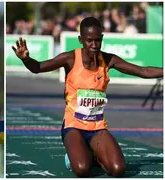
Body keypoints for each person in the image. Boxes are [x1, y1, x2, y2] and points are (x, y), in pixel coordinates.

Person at [12, 16, 163, 177]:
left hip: (97, 127)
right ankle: (79, 154)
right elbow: (38, 67)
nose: (94, 45)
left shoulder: (108, 60)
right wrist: (26, 59)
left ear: (102, 38)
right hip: (73, 126)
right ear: (80, 40)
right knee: (82, 168)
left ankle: (93, 153)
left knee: (118, 169)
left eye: (97, 40)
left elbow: (142, 71)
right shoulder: (70, 58)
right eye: (89, 40)